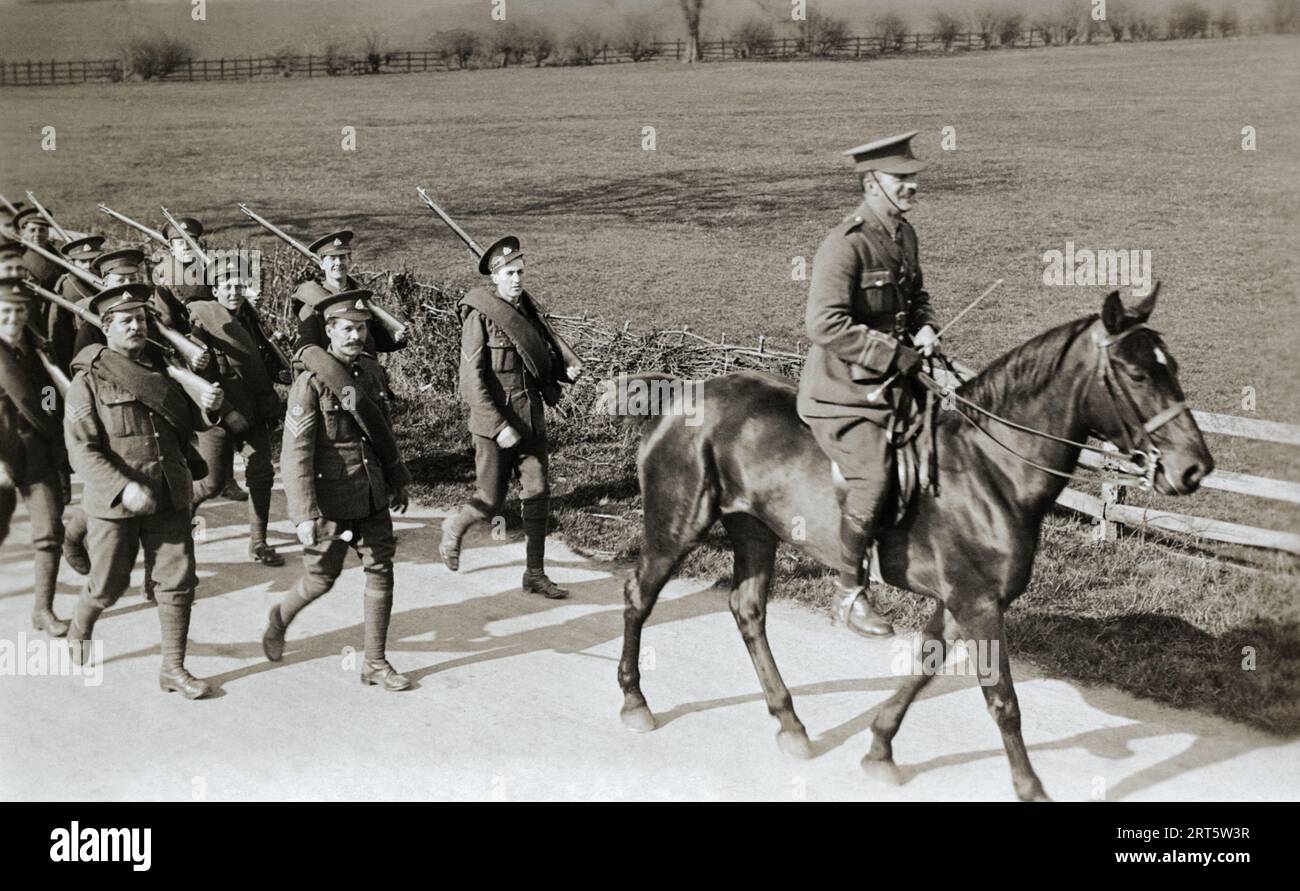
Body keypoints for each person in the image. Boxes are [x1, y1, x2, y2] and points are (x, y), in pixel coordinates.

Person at [796, 131, 941, 639]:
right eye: (901, 178)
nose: (911, 185)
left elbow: (916, 296)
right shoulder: (846, 244)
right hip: (844, 394)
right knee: (874, 478)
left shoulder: (904, 235)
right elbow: (824, 325)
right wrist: (893, 354)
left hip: (897, 385)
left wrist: (925, 326)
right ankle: (849, 593)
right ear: (872, 182)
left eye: (912, 176)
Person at [63, 282, 220, 698]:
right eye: (126, 321)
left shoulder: (164, 368)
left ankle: (173, 669)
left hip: (169, 490)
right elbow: (82, 451)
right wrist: (123, 487)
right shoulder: (88, 381)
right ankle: (81, 622)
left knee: (178, 580)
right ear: (106, 327)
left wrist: (209, 405)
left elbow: (191, 421)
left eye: (141, 319)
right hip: (116, 502)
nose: (136, 326)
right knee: (108, 585)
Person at [262, 289, 412, 691]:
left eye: (361, 328)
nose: (356, 336)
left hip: (371, 493)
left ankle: (375, 662)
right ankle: (280, 617)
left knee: (381, 570)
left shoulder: (371, 371)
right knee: (320, 579)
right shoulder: (310, 384)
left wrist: (396, 479)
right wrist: (303, 514)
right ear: (329, 331)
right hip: (331, 501)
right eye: (347, 329)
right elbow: (296, 453)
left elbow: (381, 432)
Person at [438, 236, 573, 599]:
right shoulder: (480, 316)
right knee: (491, 500)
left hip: (530, 420)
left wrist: (564, 370)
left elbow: (539, 361)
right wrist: (499, 427)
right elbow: (470, 382)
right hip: (494, 426)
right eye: (509, 273)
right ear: (494, 277)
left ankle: (535, 573)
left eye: (520, 272)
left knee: (538, 492)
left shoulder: (528, 313)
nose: (517, 279)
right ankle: (455, 528)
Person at [187, 254, 286, 565]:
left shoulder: (251, 320)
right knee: (212, 483)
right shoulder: (202, 320)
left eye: (239, 285)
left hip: (253, 411)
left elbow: (260, 361)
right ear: (215, 290)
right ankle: (181, 519)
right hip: (217, 416)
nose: (234, 292)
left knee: (261, 474)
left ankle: (259, 542)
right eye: (227, 286)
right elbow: (198, 375)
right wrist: (227, 411)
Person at [0, 277, 70, 637]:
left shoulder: (37, 348)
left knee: (49, 532)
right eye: (5, 312)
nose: (13, 319)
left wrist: (53, 417)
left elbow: (47, 394)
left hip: (37, 453)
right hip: (2, 456)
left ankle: (43, 609)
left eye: (19, 311)